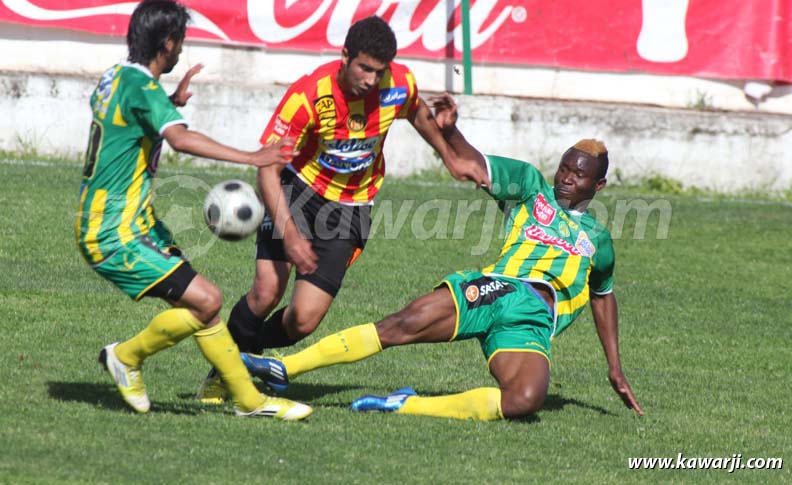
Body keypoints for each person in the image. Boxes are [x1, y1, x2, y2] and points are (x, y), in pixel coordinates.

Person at [242, 134, 644, 421]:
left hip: (534, 322)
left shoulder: (598, 240)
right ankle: (285, 369)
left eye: (579, 174)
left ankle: (406, 404)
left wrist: (615, 367)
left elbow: (602, 296)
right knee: (401, 326)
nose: (567, 178)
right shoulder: (530, 188)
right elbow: (474, 163)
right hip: (499, 290)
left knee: (524, 400)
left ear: (599, 185)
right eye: (564, 168)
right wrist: (449, 130)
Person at [197, 15, 487, 402]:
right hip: (297, 192)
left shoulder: (398, 84)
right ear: (345, 56)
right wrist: (291, 234)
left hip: (351, 208)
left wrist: (449, 155)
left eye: (378, 71)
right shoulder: (308, 95)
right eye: (364, 68)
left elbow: (416, 111)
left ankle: (243, 357)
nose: (370, 79)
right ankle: (224, 372)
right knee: (267, 291)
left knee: (303, 320)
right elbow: (269, 167)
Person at [75, 0, 311, 420]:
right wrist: (254, 157)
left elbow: (127, 118)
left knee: (204, 306)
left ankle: (249, 402)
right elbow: (182, 140)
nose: (182, 49)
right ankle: (126, 357)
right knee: (207, 300)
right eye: (180, 41)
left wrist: (170, 103)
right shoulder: (142, 89)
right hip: (114, 232)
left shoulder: (117, 79)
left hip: (133, 224)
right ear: (167, 42)